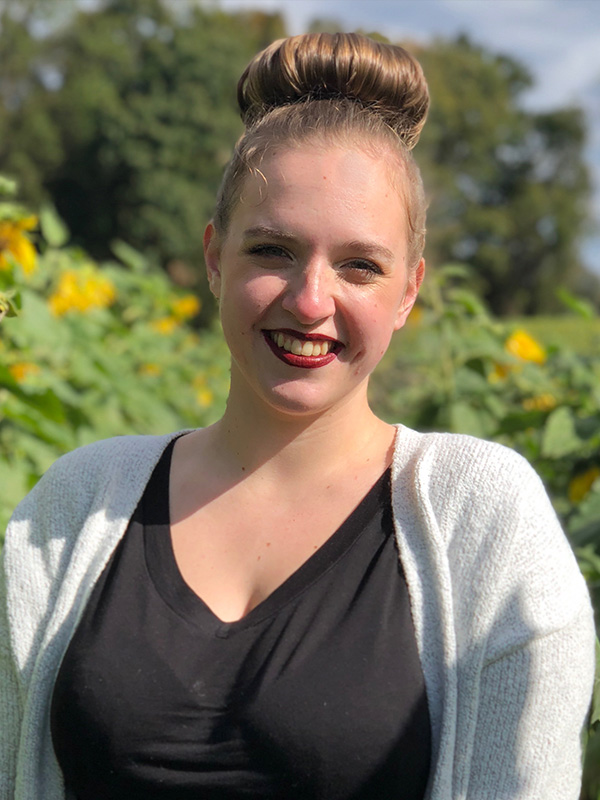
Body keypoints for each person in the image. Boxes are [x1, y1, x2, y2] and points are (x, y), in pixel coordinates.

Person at [0, 32, 596, 800]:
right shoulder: (75, 504)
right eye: (273, 251)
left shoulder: (485, 520)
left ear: (410, 290)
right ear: (215, 258)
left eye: (359, 265)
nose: (311, 301)